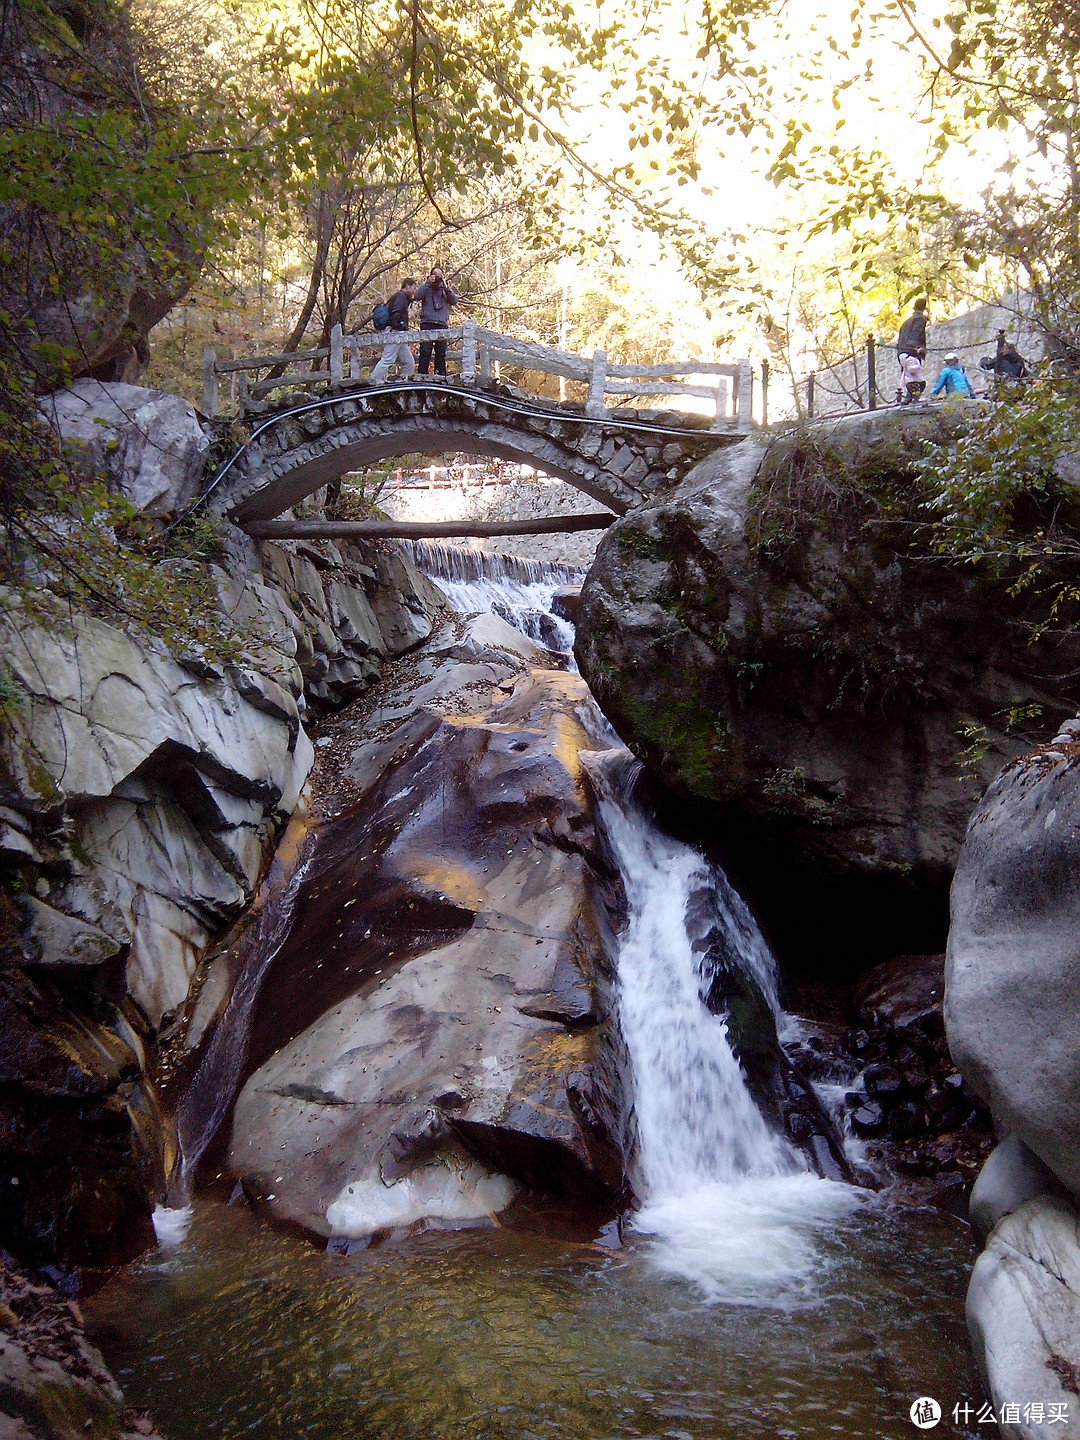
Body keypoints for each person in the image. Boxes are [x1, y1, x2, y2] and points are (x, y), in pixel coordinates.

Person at [370, 277, 417, 383]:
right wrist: (396, 327)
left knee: (409, 362)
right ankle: (372, 382)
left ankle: (405, 384)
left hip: (399, 332)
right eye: (413, 288)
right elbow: (396, 312)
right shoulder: (401, 296)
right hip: (395, 332)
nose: (414, 291)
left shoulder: (402, 297)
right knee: (388, 359)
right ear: (408, 286)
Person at [414, 267, 458, 377]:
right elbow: (417, 296)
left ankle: (440, 376)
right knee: (425, 352)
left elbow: (454, 301)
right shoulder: (426, 288)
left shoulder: (445, 290)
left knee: (441, 352)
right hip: (427, 323)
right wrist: (428, 283)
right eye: (436, 276)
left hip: (442, 324)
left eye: (440, 276)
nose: (438, 279)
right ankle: (422, 376)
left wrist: (447, 287)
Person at [895, 298, 929, 404]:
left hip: (902, 352)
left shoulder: (906, 322)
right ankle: (912, 399)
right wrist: (918, 348)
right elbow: (916, 333)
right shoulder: (920, 319)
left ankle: (908, 398)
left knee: (909, 376)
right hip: (911, 351)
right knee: (918, 378)